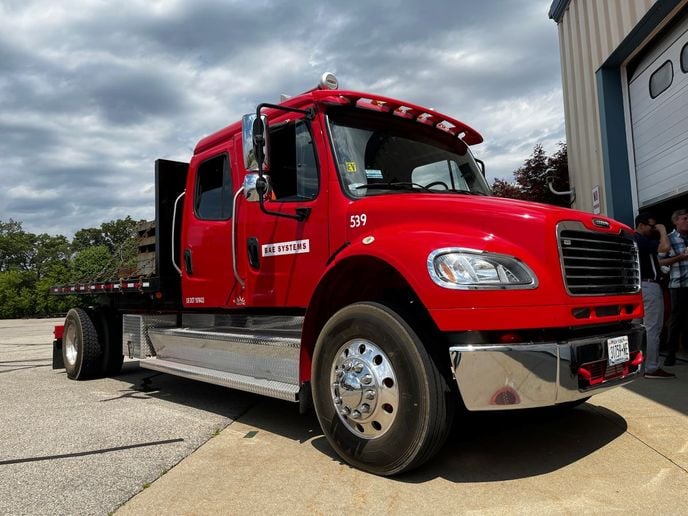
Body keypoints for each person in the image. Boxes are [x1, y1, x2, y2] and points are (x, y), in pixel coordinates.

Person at [634, 213, 675, 378]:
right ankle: (651, 367)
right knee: (653, 328)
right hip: (649, 286)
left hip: (641, 286)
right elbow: (665, 247)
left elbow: (658, 260)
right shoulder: (640, 239)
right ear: (641, 225)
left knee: (639, 327)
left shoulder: (637, 240)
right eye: (651, 226)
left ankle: (637, 365)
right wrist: (663, 230)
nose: (654, 229)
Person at [659, 208, 688, 366]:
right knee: (676, 320)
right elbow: (660, 262)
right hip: (678, 286)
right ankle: (671, 353)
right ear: (676, 221)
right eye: (685, 218)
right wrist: (680, 257)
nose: (687, 221)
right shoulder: (669, 239)